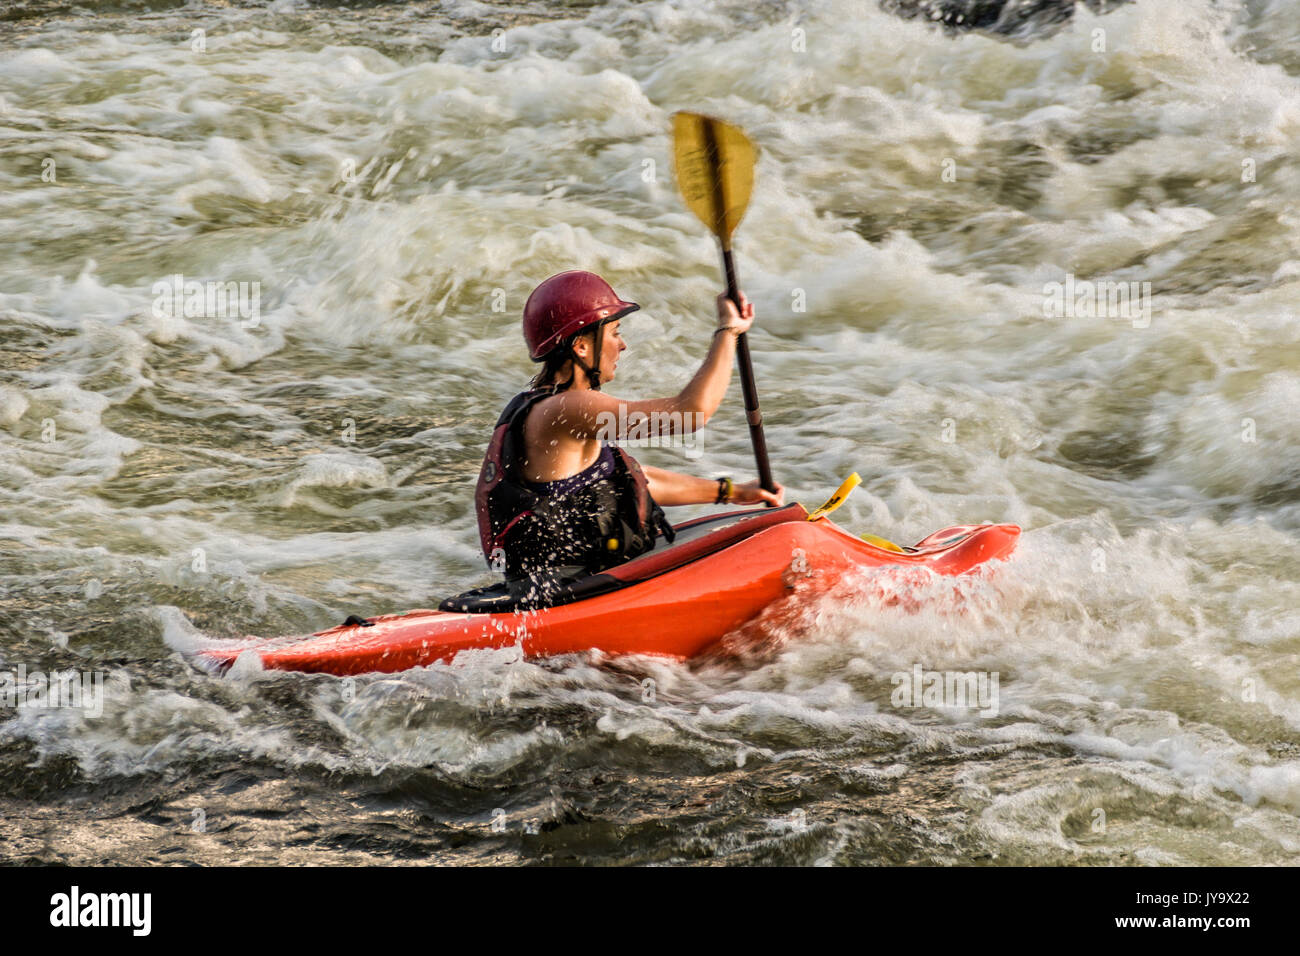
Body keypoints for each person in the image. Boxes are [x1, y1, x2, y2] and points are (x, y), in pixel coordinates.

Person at [475, 270, 784, 584]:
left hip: (574, 579)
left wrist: (731, 492)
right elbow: (690, 414)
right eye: (614, 333)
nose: (622, 345)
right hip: (564, 592)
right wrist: (727, 332)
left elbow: (633, 480)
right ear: (581, 346)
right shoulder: (569, 408)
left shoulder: (554, 405)